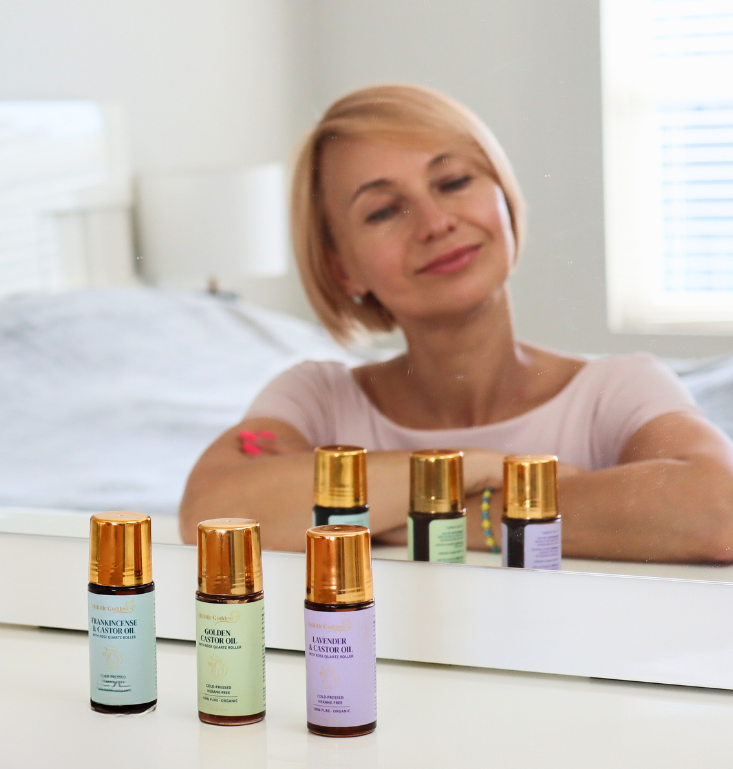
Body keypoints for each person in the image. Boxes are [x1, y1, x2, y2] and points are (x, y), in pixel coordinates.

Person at [180, 84, 733, 562]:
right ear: (340, 267)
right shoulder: (318, 399)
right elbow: (214, 513)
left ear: (504, 200)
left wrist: (412, 519)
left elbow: (717, 512)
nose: (436, 223)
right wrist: (480, 466)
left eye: (452, 183)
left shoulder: (618, 389)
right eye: (382, 211)